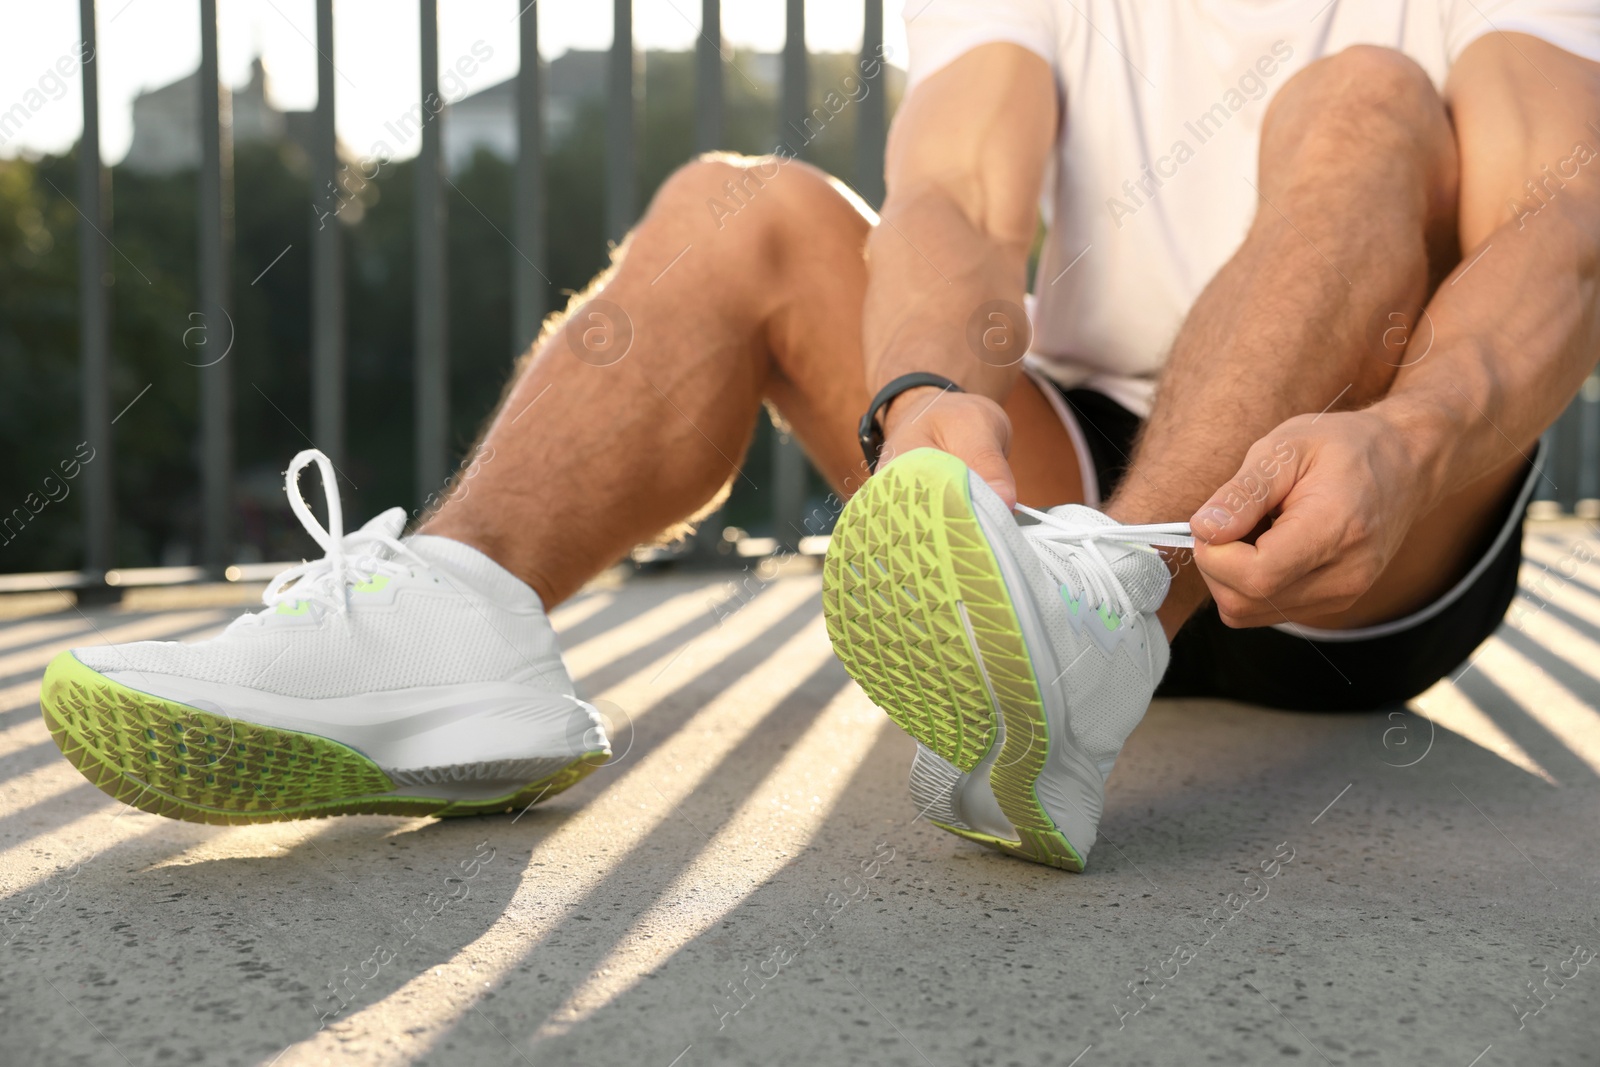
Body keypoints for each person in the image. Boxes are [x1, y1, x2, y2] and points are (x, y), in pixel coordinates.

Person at [41, 2, 1600, 869]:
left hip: (1375, 507)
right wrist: (922, 402)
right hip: (1063, 499)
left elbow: (1566, 220)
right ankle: (457, 626)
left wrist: (1417, 429)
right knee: (741, 209)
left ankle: (1097, 628)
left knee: (1371, 97)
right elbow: (953, 205)